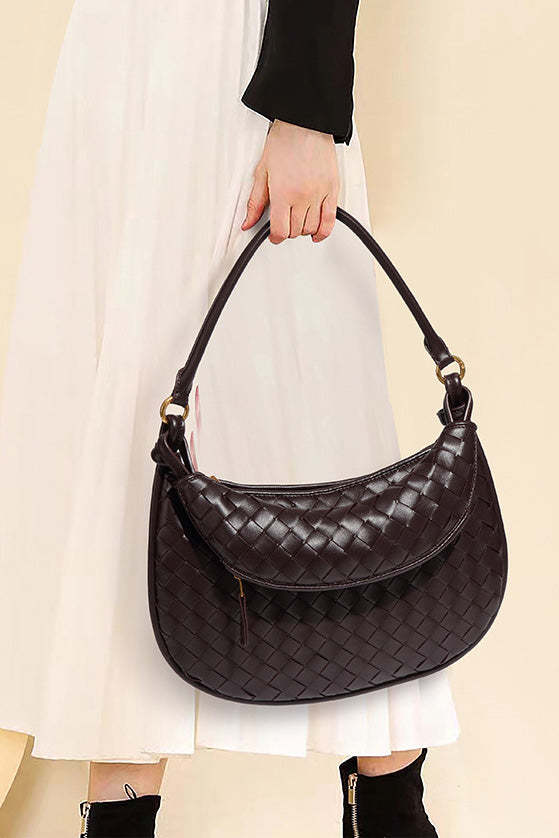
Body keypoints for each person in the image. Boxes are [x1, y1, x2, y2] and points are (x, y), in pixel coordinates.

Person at [0, 2, 459, 836]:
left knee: (320, 437)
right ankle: (119, 811)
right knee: (123, 438)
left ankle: (390, 796)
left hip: (235, 63)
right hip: (117, 57)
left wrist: (306, 112)